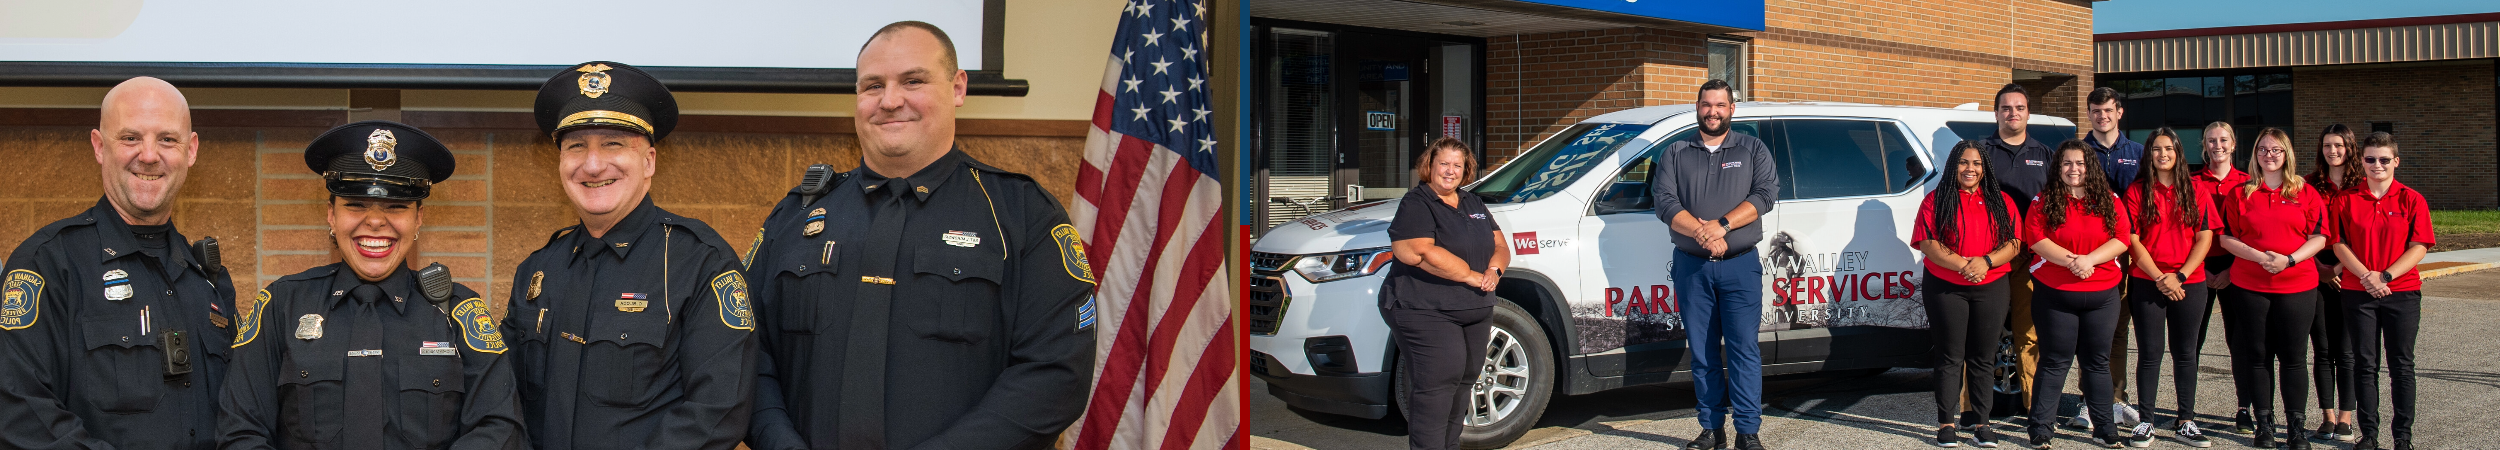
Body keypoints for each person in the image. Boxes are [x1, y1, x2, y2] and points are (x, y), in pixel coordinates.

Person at [743, 22, 1097, 450]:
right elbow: (745, 353)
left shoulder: (1022, 215)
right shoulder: (795, 217)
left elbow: (1056, 373)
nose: (890, 101)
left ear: (958, 88)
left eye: (913, 81)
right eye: (873, 86)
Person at [218, 121, 525, 449]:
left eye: (396, 206)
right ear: (331, 216)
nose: (376, 221)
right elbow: (241, 431)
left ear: (419, 217)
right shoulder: (281, 306)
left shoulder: (459, 312)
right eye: (355, 204)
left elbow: (499, 429)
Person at [503, 61, 755, 449]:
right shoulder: (538, 270)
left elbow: (718, 411)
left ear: (649, 161)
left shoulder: (699, 261)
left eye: (613, 143)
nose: (592, 164)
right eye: (575, 147)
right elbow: (506, 401)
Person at [0, 77, 238, 450]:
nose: (148, 154)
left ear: (190, 150)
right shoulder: (48, 263)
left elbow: (239, 414)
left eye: (167, 139)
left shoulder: (207, 281)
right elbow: (17, 411)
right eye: (130, 138)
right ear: (99, 146)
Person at [1653, 79, 1779, 450]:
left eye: (1720, 105)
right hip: (1693, 267)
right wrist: (1705, 234)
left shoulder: (1753, 148)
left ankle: (1747, 431)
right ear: (1697, 107)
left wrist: (1722, 225)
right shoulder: (1675, 152)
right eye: (1707, 105)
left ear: (1732, 110)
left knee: (1743, 349)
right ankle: (1711, 428)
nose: (1713, 112)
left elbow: (1766, 194)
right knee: (1703, 351)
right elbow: (1665, 202)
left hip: (1740, 267)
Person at [1378, 137, 1507, 450]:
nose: (1450, 171)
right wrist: (1471, 276)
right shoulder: (1417, 203)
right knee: (1437, 385)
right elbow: (1418, 252)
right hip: (1424, 308)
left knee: (1464, 382)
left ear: (1466, 171)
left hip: (1474, 309)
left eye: (1457, 166)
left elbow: (1501, 246)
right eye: (1444, 164)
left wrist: (1494, 272)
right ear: (1430, 166)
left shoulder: (1472, 203)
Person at [2214, 127, 2328, 449]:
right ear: (2255, 155)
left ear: (2287, 154)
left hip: (2298, 286)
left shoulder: (2305, 192)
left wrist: (2288, 260)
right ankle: (2263, 425)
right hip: (2250, 285)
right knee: (2258, 355)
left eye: (2276, 150)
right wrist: (2259, 257)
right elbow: (2227, 237)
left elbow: (2318, 238)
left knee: (2293, 357)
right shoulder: (2241, 193)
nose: (2269, 155)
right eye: (2263, 149)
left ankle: (2296, 428)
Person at [2020, 140, 2133, 449]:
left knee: (2096, 362)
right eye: (2067, 163)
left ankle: (2105, 428)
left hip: (2102, 294)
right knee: (2055, 361)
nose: (2074, 169)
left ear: (2090, 167)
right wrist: (2073, 261)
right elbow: (2037, 239)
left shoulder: (2109, 200)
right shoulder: (2043, 201)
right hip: (2056, 293)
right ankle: (2041, 427)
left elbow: (2122, 238)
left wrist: (2089, 260)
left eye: (2080, 163)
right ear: (2058, 167)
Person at [1911, 141, 2021, 448]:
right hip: (1946, 287)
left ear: (1984, 169)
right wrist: (1964, 265)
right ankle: (1947, 422)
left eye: (1975, 163)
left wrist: (1985, 263)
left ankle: (1981, 423)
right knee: (1950, 356)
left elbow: (2014, 243)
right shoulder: (1936, 200)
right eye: (1963, 163)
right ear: (1953, 166)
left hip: (1992, 285)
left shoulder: (2002, 201)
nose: (1969, 169)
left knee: (1983, 357)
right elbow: (1927, 242)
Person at [2117, 128, 2219, 448]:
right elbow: (2132, 239)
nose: (2163, 154)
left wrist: (2181, 276)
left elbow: (2205, 236)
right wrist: (2161, 277)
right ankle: (2145, 421)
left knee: (2186, 353)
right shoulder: (2136, 191)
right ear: (2149, 154)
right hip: (2149, 282)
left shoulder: (2197, 189)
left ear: (2178, 153)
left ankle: (2185, 420)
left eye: (2169, 149)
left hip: (2190, 282)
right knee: (2150, 353)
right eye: (2157, 149)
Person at [2326, 132, 2429, 450]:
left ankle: (2402, 438)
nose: (2377, 165)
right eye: (2370, 159)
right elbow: (2338, 243)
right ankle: (2368, 435)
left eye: (2384, 159)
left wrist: (2384, 275)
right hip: (2358, 293)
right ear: (2362, 162)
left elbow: (2420, 245)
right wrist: (2366, 277)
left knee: (2401, 365)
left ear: (2396, 161)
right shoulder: (2346, 199)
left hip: (2403, 292)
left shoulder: (2412, 199)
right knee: (2365, 363)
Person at [1980, 83, 2054, 418]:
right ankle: (1978, 409)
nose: (2013, 113)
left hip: (2031, 259)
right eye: (2006, 108)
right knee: (1984, 334)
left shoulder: (2044, 154)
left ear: (2028, 113)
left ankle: (2032, 407)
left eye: (2020, 108)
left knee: (2029, 335)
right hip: (1991, 258)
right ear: (1996, 113)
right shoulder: (1980, 154)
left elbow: (2055, 208)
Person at [2076, 87, 2145, 432]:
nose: (2102, 116)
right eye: (2095, 111)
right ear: (2088, 114)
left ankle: (2116, 397)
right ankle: (2088, 399)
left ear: (2120, 112)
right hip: (2088, 254)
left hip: (2131, 253)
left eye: (2108, 110)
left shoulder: (2139, 153)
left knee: (2117, 328)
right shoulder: (2078, 153)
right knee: (2088, 330)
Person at [2186, 121, 2254, 434]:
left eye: (2224, 140)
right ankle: (2186, 411)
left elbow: (2254, 234)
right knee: (2191, 342)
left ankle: (2244, 408)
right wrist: (2200, 269)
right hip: (2197, 266)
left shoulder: (2248, 183)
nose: (2218, 146)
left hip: (2237, 268)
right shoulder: (2190, 181)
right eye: (2211, 140)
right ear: (2204, 145)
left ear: (2234, 144)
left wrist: (2232, 269)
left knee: (2239, 341)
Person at [2302, 124, 2362, 444]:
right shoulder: (2309, 185)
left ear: (2349, 148)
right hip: (2314, 274)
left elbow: (2365, 235)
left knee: (2347, 350)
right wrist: (2320, 267)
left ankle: (2345, 420)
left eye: (2338, 145)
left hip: (2350, 274)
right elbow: (2297, 231)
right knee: (2323, 349)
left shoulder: (2362, 186)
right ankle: (2326, 417)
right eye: (2327, 145)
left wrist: (2339, 265)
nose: (2332, 151)